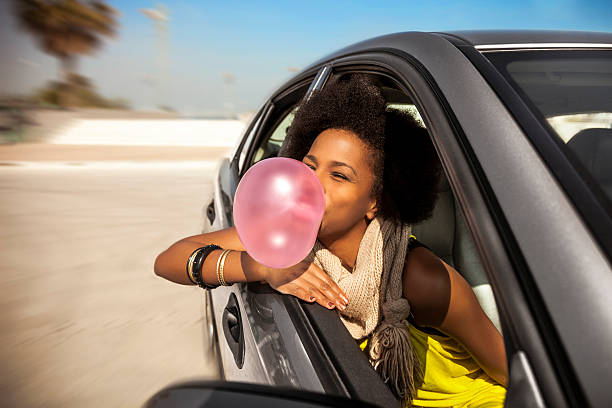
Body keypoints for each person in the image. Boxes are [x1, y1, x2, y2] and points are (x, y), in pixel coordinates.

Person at [154, 74, 507, 407]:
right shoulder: (283, 230)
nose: (311, 184)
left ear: (375, 202)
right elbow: (169, 260)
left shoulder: (421, 277)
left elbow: (505, 369)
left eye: (338, 175)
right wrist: (260, 265)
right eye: (308, 166)